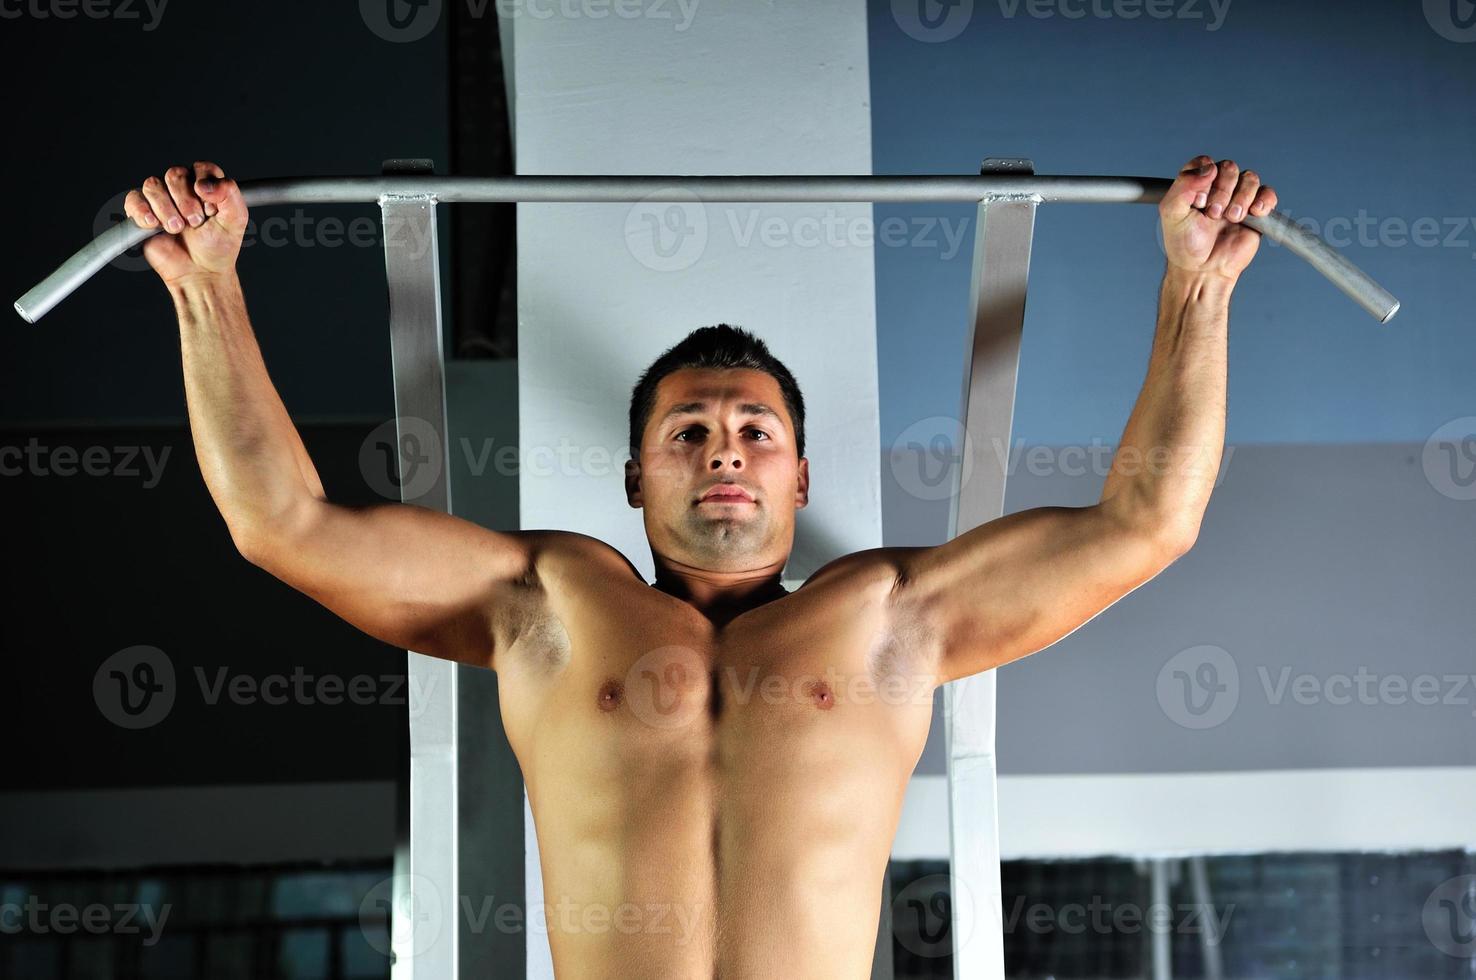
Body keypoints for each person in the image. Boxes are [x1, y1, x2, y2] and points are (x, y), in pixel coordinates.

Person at [124, 154, 1276, 977]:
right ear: (635, 478)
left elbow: (1149, 521)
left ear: (801, 479)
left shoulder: (890, 616)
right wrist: (204, 286)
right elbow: (281, 522)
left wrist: (1199, 285)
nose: (724, 443)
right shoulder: (547, 605)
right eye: (688, 430)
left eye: (754, 429)